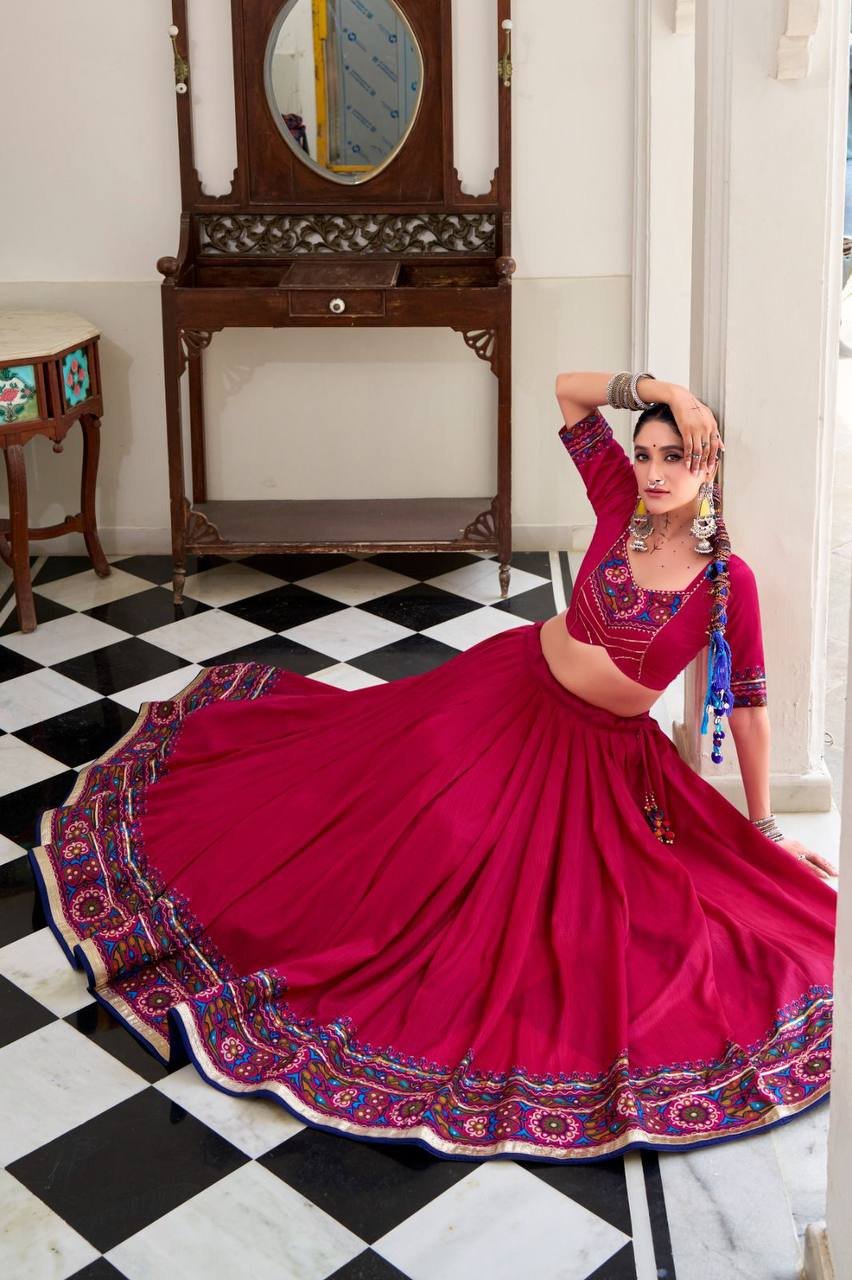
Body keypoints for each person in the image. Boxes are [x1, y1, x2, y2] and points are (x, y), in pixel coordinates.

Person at [28, 370, 838, 1165]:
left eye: (677, 456)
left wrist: (764, 827)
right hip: (504, 693)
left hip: (596, 763)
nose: (656, 474)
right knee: (394, 815)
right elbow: (568, 389)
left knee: (554, 915)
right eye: (647, 454)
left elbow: (749, 709)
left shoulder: (726, 583)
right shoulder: (617, 505)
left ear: (710, 463)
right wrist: (665, 391)